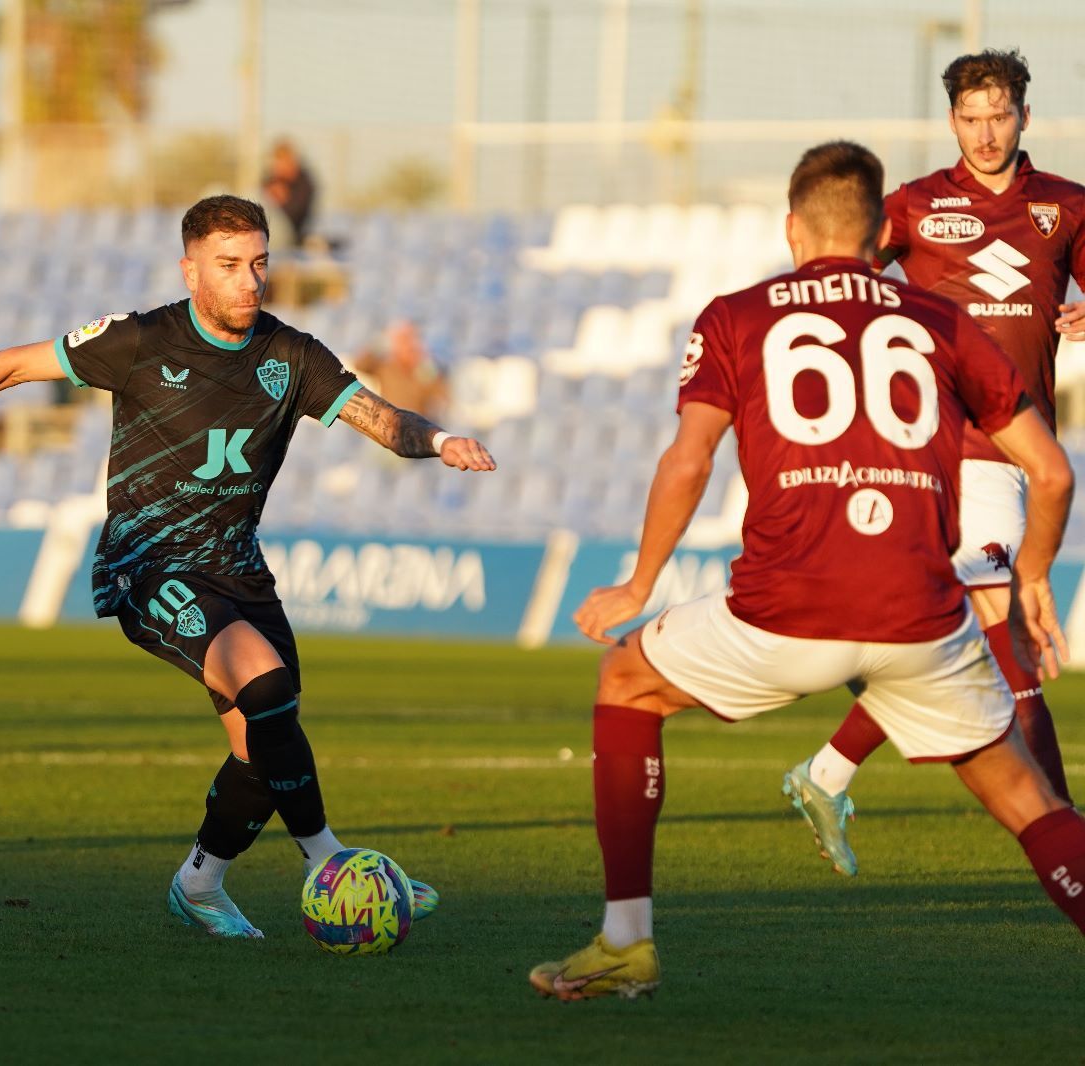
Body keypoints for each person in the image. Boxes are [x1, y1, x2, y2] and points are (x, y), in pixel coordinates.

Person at [0, 195, 496, 938]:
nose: (251, 281)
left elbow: (380, 418)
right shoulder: (140, 339)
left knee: (262, 745)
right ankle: (332, 860)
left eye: (260, 263)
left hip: (239, 570)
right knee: (266, 684)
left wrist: (440, 442)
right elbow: (12, 367)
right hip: (149, 564)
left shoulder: (291, 356)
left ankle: (200, 884)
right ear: (191, 272)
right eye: (230, 266)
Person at [529, 142, 1085, 1003]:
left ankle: (625, 942)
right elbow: (1051, 473)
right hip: (922, 618)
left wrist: (638, 586)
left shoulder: (737, 315)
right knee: (1030, 798)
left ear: (793, 229)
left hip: (783, 612)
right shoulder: (941, 322)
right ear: (877, 235)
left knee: (627, 681)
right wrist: (1038, 571)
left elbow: (688, 462)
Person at [787, 50, 1085, 877]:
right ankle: (1065, 838)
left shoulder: (1067, 206)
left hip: (1011, 452)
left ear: (1025, 115)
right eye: (970, 117)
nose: (986, 132)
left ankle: (826, 770)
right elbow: (837, 283)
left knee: (961, 645)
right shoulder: (915, 206)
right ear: (951, 120)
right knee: (999, 644)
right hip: (941, 453)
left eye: (1000, 115)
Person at [354, 320, 449, 422]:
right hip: (388, 423)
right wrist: (379, 344)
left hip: (416, 427)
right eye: (403, 340)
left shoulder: (424, 370)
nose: (408, 345)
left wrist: (430, 369)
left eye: (410, 339)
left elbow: (442, 396)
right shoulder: (386, 366)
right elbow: (360, 365)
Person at [263, 139, 316, 248]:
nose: (279, 166)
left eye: (283, 161)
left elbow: (298, 214)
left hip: (291, 238)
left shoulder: (304, 183)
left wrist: (282, 201)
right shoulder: (271, 181)